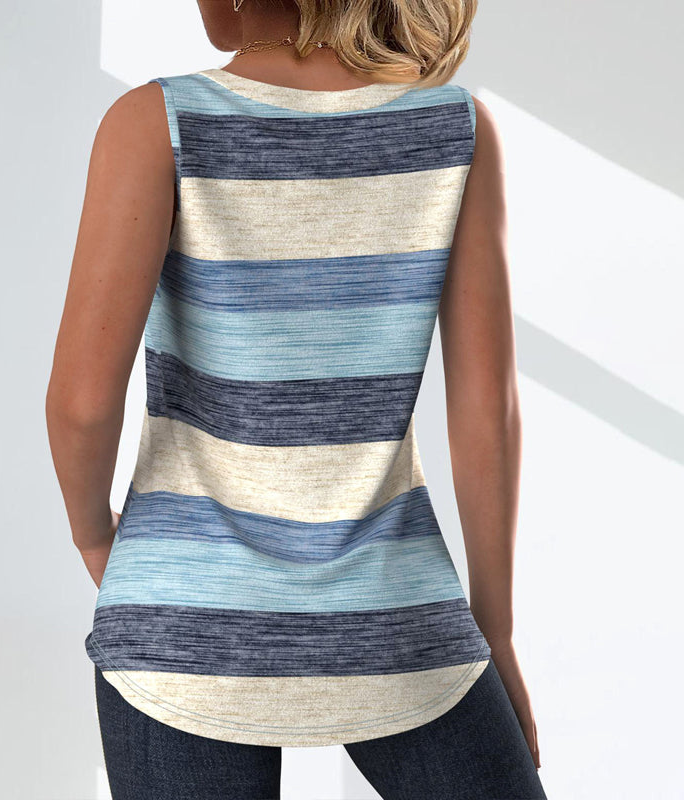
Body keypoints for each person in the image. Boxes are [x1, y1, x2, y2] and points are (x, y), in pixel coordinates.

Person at [46, 1, 549, 798]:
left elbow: (80, 403)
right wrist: (497, 632)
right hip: (392, 616)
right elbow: (487, 414)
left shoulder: (153, 123)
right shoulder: (455, 130)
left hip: (181, 618)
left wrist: (93, 538)